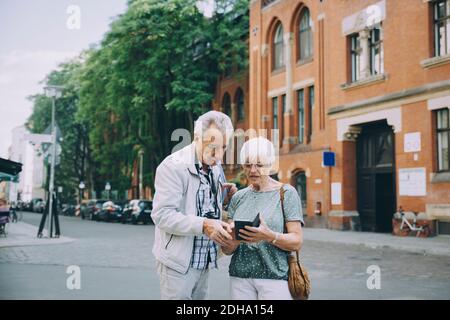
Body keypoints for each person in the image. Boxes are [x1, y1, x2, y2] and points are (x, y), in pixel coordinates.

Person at [151, 110, 238, 300]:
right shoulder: (172, 166)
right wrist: (204, 225)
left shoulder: (216, 168)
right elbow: (162, 215)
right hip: (177, 264)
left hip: (204, 260)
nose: (218, 155)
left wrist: (225, 197)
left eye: (223, 147)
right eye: (212, 147)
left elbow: (206, 205)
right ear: (197, 138)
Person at [221, 137, 304, 300]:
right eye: (247, 164)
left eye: (259, 165)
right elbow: (227, 250)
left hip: (274, 278)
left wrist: (269, 236)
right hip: (240, 277)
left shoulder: (286, 193)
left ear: (271, 165)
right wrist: (234, 240)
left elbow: (297, 241)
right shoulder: (238, 197)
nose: (252, 170)